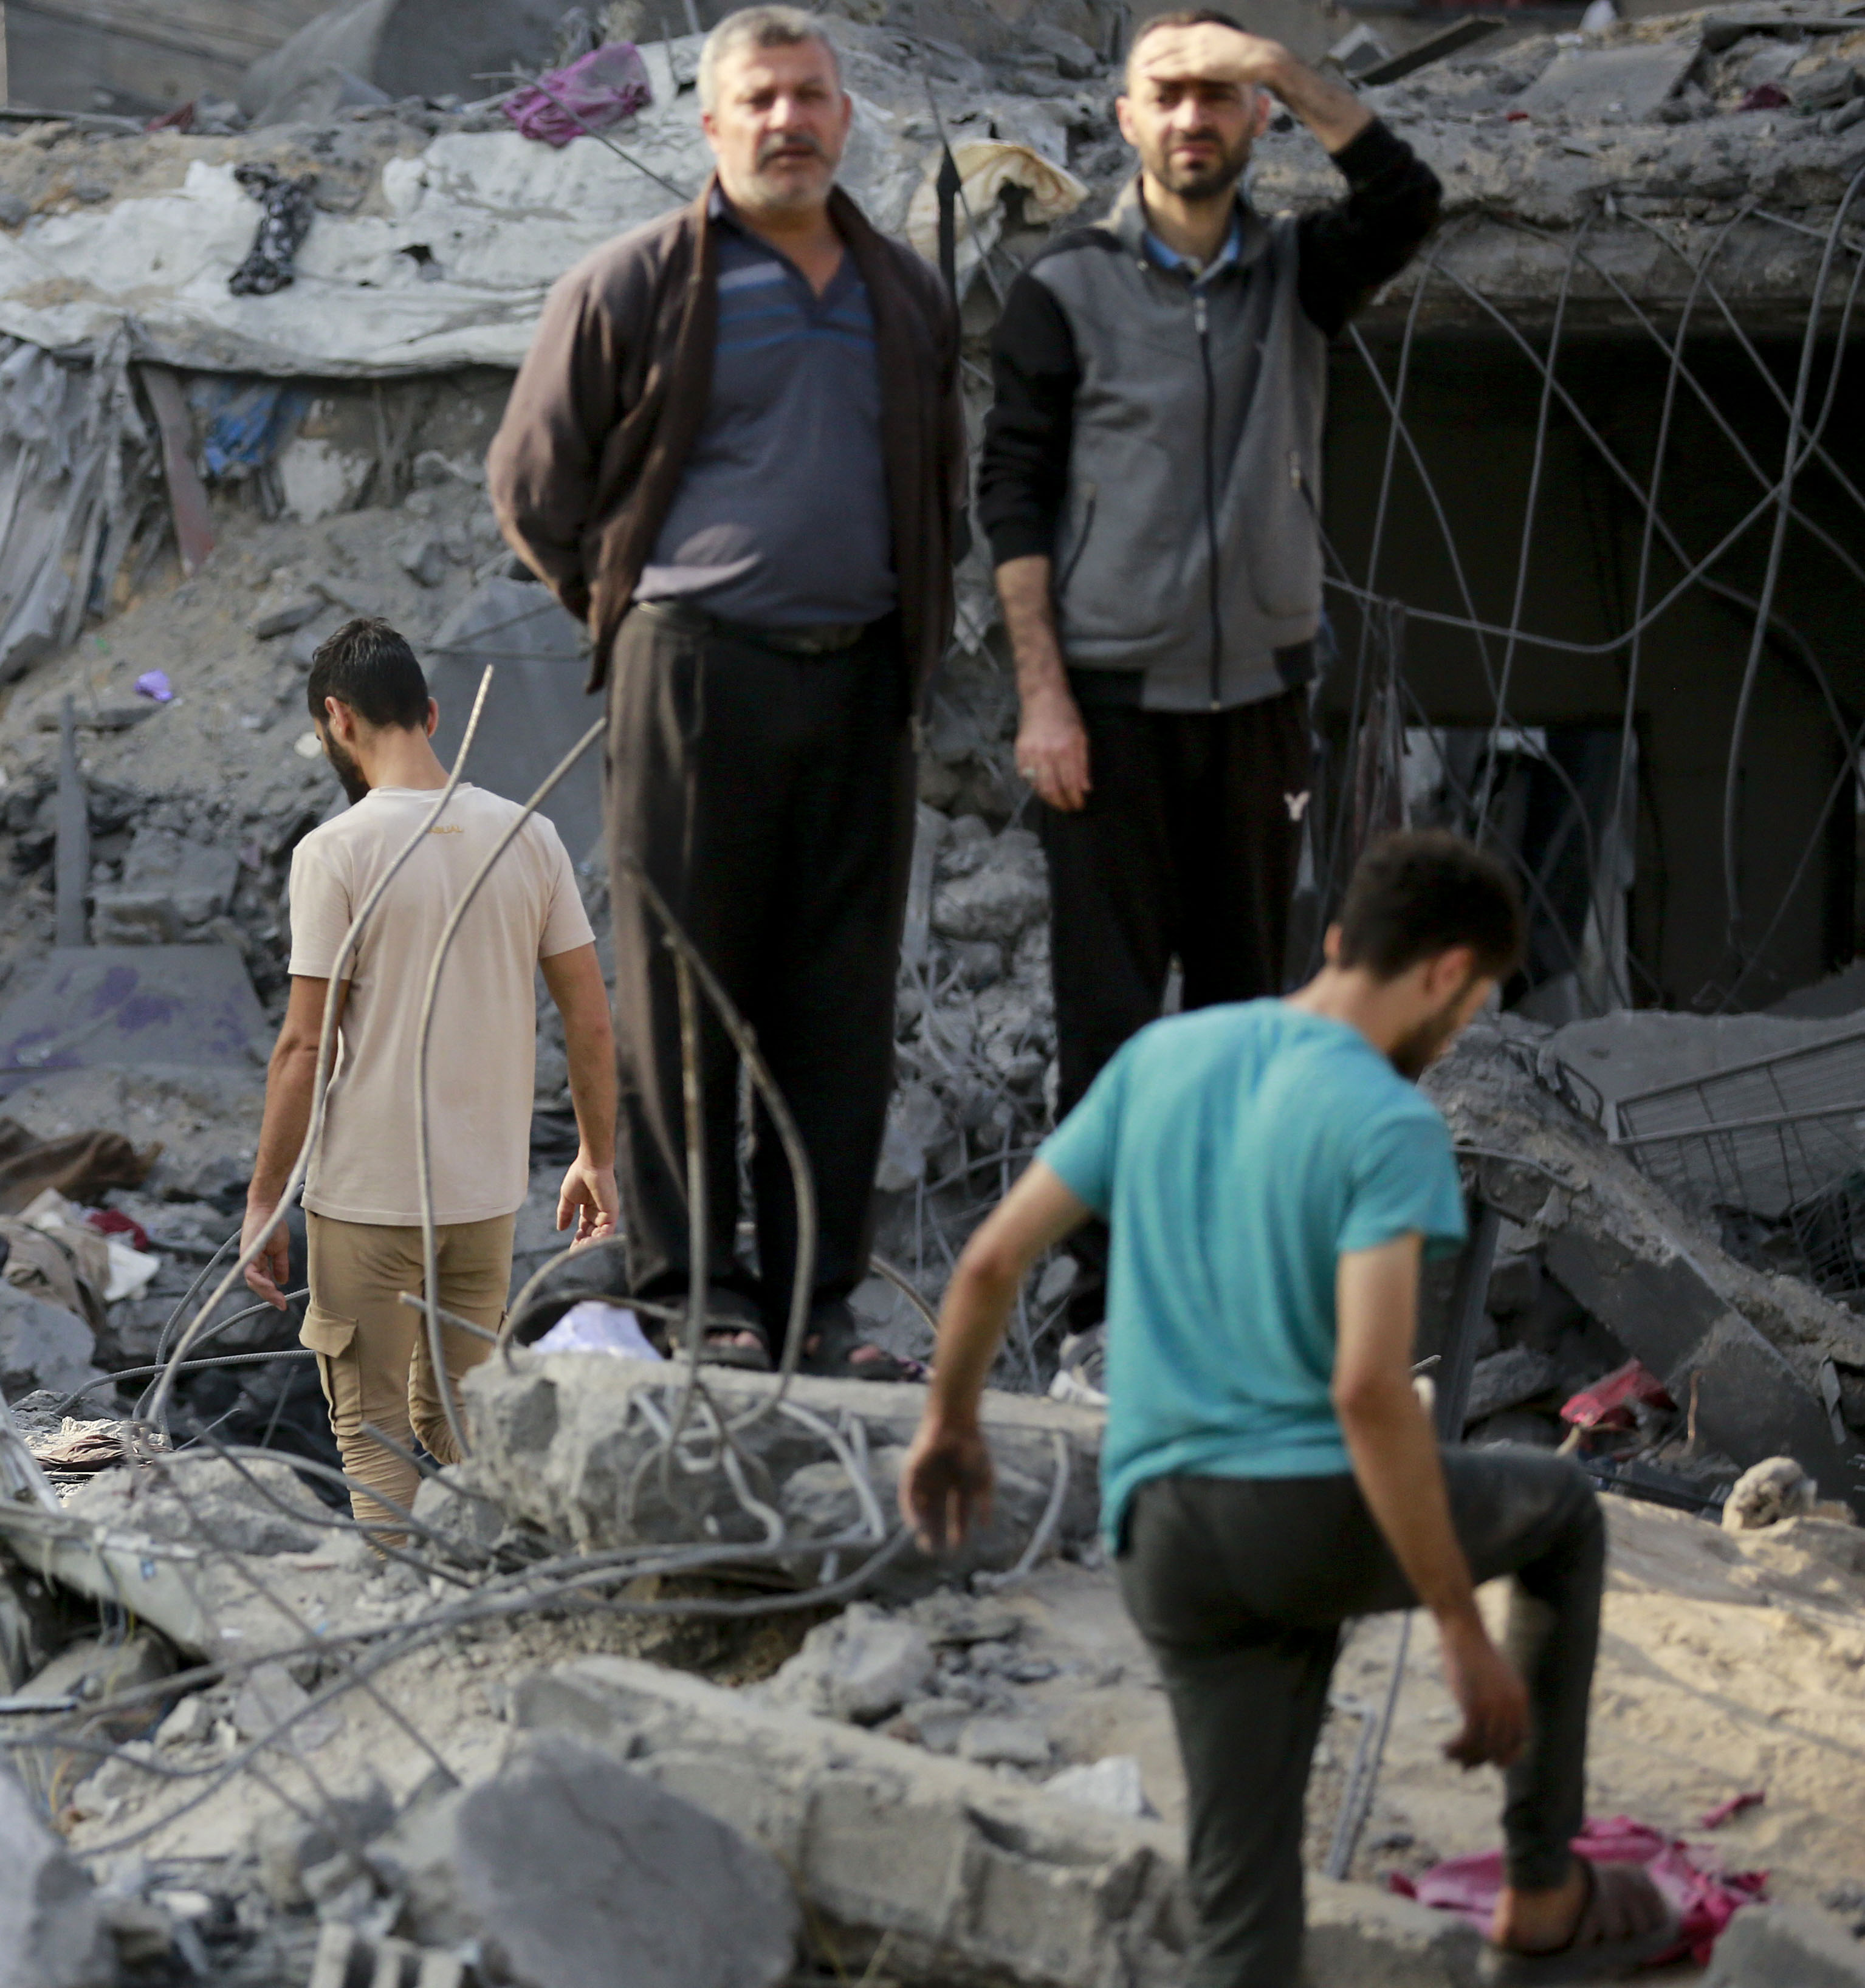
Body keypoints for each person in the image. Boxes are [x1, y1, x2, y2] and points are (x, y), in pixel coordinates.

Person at [900, 834, 1675, 1986]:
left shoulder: (1160, 1057)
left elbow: (985, 1265)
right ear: (1442, 973)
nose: (1456, 1032)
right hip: (1296, 1514)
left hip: (1159, 1534)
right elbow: (1367, 1390)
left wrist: (947, 1425)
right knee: (1559, 1508)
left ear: (1333, 943)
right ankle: (1543, 1891)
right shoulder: (1388, 1122)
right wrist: (1460, 1631)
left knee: (1241, 1914)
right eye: (1467, 1007)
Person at [489, 4, 964, 1371]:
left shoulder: (905, 296)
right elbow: (533, 481)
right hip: (692, 675)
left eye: (809, 96)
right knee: (688, 990)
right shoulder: (636, 282)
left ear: (844, 117)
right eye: (758, 99)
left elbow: (939, 483)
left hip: (863, 680)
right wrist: (630, 611)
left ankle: (813, 1304)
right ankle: (697, 1294)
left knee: (836, 1003)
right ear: (708, 123)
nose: (787, 120)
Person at [975, 12, 1441, 1337]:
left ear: (1255, 124)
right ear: (1126, 120)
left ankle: (1226, 1284)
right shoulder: (1062, 290)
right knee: (1112, 1018)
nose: (1194, 118)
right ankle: (1107, 1294)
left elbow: (1408, 197)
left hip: (1259, 709)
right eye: (1167, 95)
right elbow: (1011, 498)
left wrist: (1282, 62)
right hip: (1107, 711)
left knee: (1246, 1005)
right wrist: (1044, 698)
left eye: (1221, 99)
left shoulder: (1298, 275)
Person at [242, 619, 619, 1534]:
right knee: (459, 1419)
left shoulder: (335, 851)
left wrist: (263, 1203)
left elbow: (303, 1048)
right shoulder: (529, 837)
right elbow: (590, 1017)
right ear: (431, 714)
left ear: (337, 718)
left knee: (371, 1434)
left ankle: (402, 1620)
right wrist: (597, 1157)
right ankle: (507, 1586)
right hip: (483, 1199)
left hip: (367, 1199)